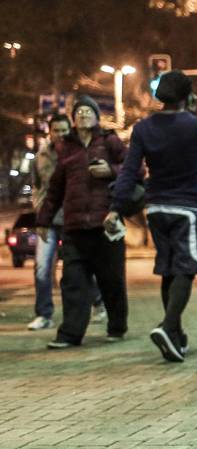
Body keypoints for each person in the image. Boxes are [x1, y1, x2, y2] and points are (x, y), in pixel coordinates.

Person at [109, 70, 197, 363]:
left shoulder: (143, 128)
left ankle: (175, 338)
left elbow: (128, 172)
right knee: (186, 269)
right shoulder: (195, 125)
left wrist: (116, 207)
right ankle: (168, 325)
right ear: (187, 95)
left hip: (156, 208)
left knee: (168, 269)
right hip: (186, 207)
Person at [36, 96, 128, 349]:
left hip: (106, 224)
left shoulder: (109, 141)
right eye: (79, 112)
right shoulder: (67, 148)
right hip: (75, 226)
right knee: (73, 281)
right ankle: (70, 333)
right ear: (73, 119)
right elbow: (54, 188)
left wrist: (111, 170)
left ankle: (117, 325)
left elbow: (133, 169)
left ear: (97, 116)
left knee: (111, 280)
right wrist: (43, 220)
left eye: (88, 111)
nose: (84, 115)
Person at [27, 114, 105, 331]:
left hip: (72, 218)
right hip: (49, 220)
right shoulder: (40, 157)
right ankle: (44, 314)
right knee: (42, 267)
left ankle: (98, 303)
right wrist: (38, 207)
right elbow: (36, 185)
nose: (60, 134)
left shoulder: (76, 151)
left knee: (82, 266)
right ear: (49, 132)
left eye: (63, 130)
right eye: (56, 131)